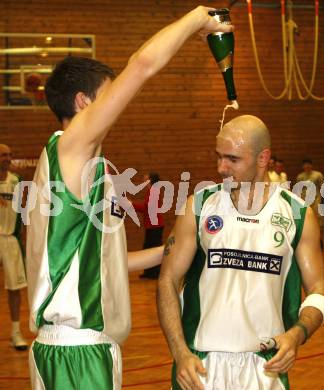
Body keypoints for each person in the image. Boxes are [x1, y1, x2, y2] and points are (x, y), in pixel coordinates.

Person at [25, 7, 234, 390]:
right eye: (109, 94)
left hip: (82, 349)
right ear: (85, 102)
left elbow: (109, 263)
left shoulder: (81, 166)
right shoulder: (71, 149)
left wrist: (177, 247)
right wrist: (197, 19)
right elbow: (142, 65)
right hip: (77, 352)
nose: (117, 105)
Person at [157, 115, 324, 390]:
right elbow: (167, 279)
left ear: (263, 158)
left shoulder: (297, 215)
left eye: (232, 159)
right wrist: (179, 353)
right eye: (218, 156)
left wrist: (298, 334)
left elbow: (318, 290)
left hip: (264, 368)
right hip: (200, 366)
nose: (220, 167)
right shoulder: (199, 205)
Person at [0, 144, 28, 351]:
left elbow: (21, 211)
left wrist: (23, 236)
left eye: (10, 154)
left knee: (15, 288)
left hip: (10, 238)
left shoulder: (16, 181)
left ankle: (16, 332)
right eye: (3, 155)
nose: (8, 158)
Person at [133, 172, 165, 279]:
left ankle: (154, 273)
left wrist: (131, 204)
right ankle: (149, 273)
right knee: (148, 248)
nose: (143, 178)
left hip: (155, 226)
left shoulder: (154, 191)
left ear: (150, 179)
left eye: (146, 177)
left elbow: (146, 208)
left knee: (153, 249)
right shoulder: (151, 191)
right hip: (152, 225)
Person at [296, 158, 324, 250]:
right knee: (307, 225)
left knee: (321, 225)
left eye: (309, 164)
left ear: (311, 165)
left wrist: (320, 201)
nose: (307, 166)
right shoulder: (300, 176)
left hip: (317, 202)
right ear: (303, 166)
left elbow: (323, 189)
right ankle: (310, 245)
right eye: (305, 164)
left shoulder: (318, 175)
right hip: (305, 204)